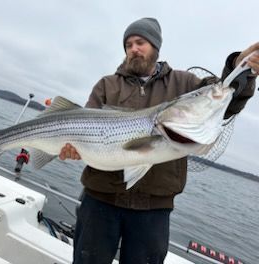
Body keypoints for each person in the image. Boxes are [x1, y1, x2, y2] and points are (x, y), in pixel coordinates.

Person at [59, 18, 258, 264]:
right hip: (99, 200)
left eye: (140, 42)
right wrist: (73, 149)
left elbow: (222, 97)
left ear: (155, 46)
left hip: (153, 210)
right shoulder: (107, 85)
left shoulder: (184, 83)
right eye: (128, 44)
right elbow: (82, 127)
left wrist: (240, 70)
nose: (133, 48)